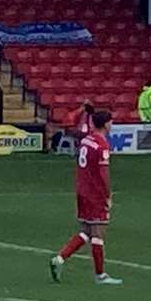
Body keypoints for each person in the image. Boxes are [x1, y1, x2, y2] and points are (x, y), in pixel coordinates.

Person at [50, 108, 122, 285]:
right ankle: (100, 275)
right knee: (98, 234)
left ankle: (60, 258)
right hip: (95, 193)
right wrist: (107, 195)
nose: (112, 124)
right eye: (111, 121)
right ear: (105, 124)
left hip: (82, 191)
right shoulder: (101, 144)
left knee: (86, 231)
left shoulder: (87, 140)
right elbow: (103, 173)